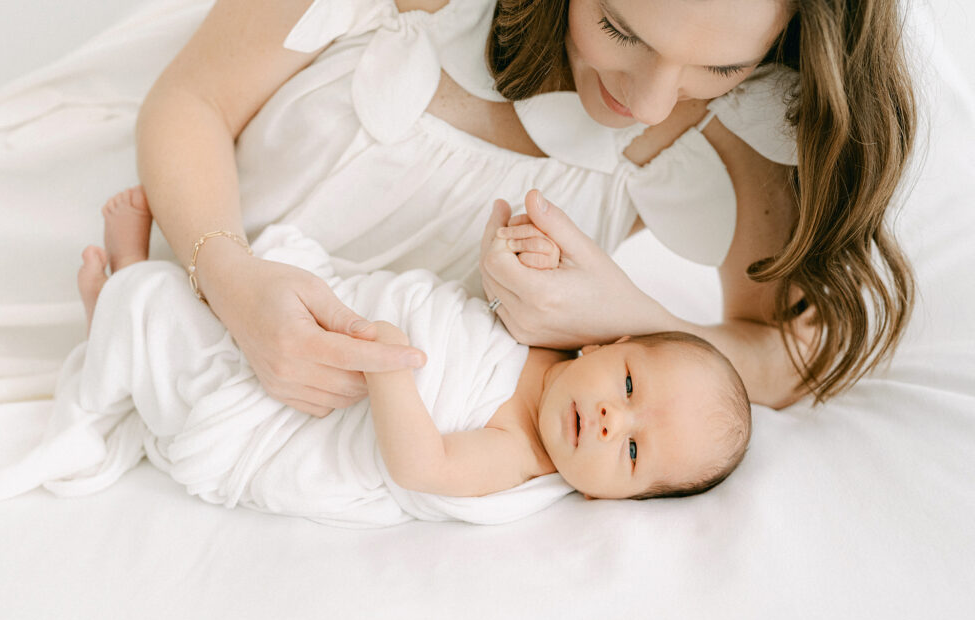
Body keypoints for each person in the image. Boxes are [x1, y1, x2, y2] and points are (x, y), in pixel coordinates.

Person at [135, 0, 915, 416]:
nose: (647, 103)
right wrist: (230, 280)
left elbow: (794, 355)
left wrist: (630, 316)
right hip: (152, 216)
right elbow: (190, 101)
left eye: (718, 64)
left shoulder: (744, 120)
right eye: (618, 27)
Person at [61, 187, 750, 524]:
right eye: (628, 387)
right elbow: (495, 298)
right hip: (337, 314)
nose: (609, 421)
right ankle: (135, 291)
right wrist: (527, 251)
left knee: (161, 332)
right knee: (238, 306)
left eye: (631, 453)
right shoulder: (556, 340)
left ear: (620, 497)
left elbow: (424, 467)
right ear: (610, 340)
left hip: (299, 412)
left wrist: (390, 370)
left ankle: (118, 293)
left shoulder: (520, 454)